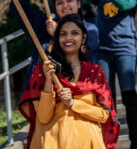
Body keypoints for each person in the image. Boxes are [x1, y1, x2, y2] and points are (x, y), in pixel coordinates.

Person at [19, 15, 119, 149]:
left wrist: (72, 103)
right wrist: (48, 81)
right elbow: (42, 118)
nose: (69, 38)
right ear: (57, 39)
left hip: (89, 143)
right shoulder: (42, 71)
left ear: (83, 38)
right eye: (63, 34)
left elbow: (103, 115)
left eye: (75, 33)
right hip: (52, 143)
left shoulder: (95, 72)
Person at [78, 0, 137, 149]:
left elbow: (123, 5)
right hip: (103, 51)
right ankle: (107, 142)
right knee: (106, 99)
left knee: (129, 96)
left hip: (125, 50)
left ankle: (135, 143)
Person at [11, 0, 99, 90]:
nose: (65, 6)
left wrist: (59, 33)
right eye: (60, 3)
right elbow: (17, 7)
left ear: (79, 3)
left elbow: (84, 53)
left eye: (70, 1)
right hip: (43, 92)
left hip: (74, 92)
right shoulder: (44, 26)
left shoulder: (90, 29)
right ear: (55, 7)